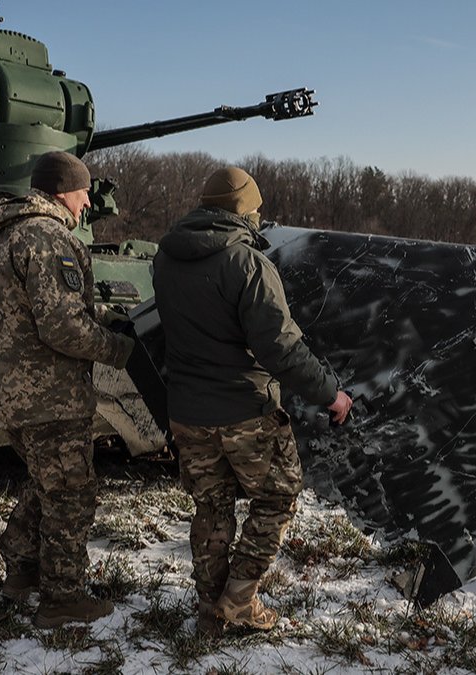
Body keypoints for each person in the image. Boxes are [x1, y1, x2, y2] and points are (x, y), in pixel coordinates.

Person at [152, 167, 353, 638]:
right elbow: (280, 347)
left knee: (211, 506)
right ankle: (239, 600)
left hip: (186, 411)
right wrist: (331, 393)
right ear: (245, 209)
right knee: (277, 498)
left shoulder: (165, 256)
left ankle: (211, 607)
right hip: (245, 411)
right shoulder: (246, 263)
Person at [0, 150, 135, 629]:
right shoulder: (48, 237)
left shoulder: (2, 234)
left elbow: (35, 310)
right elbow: (63, 327)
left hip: (11, 392)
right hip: (48, 395)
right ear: (64, 190)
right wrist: (119, 350)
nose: (88, 202)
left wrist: (104, 319)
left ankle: (22, 565)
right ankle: (63, 599)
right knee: (71, 493)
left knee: (47, 480)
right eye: (84, 191)